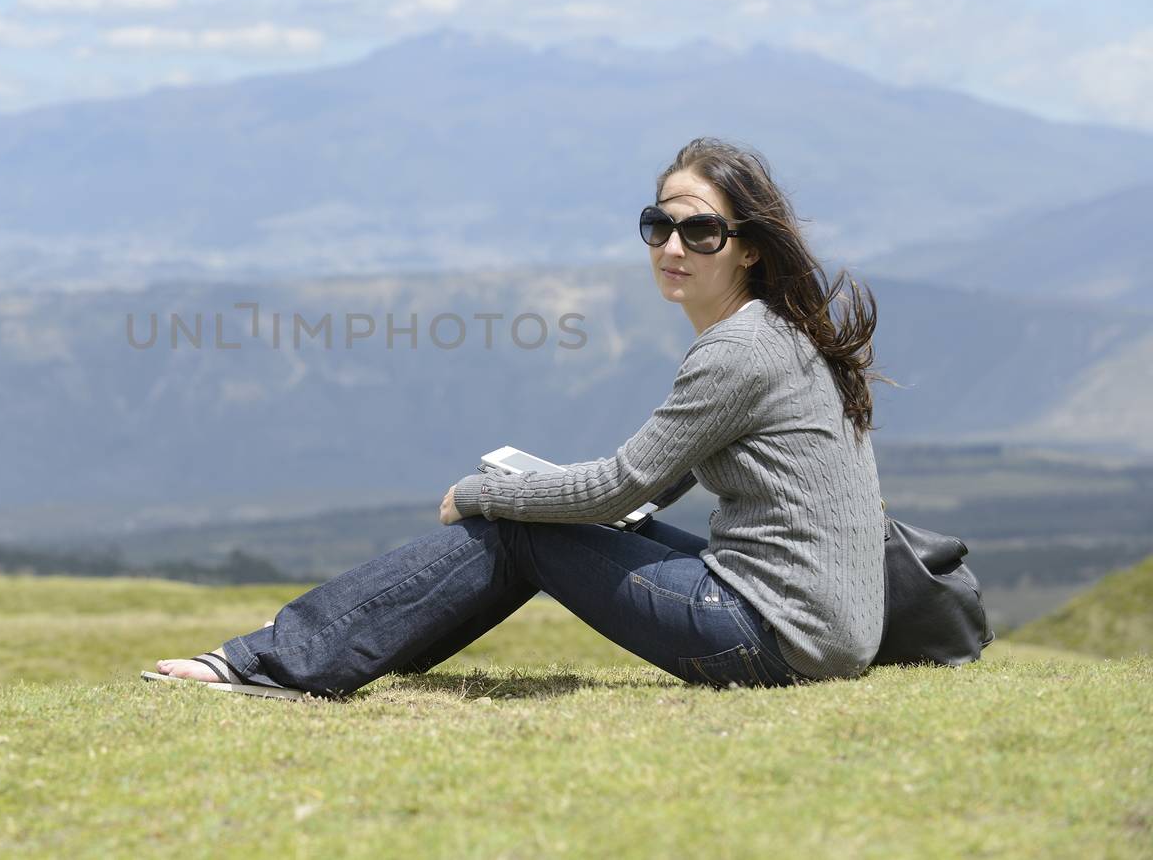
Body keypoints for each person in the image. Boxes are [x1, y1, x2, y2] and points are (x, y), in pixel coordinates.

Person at [146, 138, 889, 697]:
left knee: (518, 529)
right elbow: (666, 475)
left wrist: (484, 492)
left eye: (700, 233)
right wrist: (587, 504)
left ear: (749, 250)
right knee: (543, 521)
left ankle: (277, 663)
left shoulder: (739, 350)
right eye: (657, 226)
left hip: (767, 637)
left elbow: (618, 487)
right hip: (817, 634)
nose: (672, 246)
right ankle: (326, 657)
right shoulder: (777, 334)